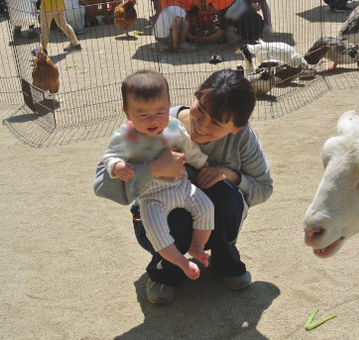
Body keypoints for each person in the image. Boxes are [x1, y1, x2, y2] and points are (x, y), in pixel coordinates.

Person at [93, 69, 273, 305]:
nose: (201, 125)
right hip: (156, 209)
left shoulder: (242, 138)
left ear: (236, 128)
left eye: (216, 123)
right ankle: (165, 269)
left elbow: (263, 187)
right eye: (201, 110)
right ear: (196, 95)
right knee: (175, 219)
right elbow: (102, 182)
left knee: (226, 195)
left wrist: (230, 175)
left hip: (198, 206)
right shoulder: (155, 119)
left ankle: (224, 256)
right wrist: (153, 169)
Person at [101, 70, 215, 286]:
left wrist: (200, 162)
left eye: (160, 112)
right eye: (143, 115)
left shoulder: (172, 126)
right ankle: (181, 263)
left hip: (181, 186)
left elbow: (189, 149)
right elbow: (109, 156)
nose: (153, 120)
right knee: (157, 232)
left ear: (169, 106)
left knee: (207, 207)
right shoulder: (126, 136)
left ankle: (197, 246)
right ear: (127, 113)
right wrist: (117, 166)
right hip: (151, 197)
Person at [191, 0, 263, 44]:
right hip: (259, 24)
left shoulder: (224, 15)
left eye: (210, 8)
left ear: (213, 6)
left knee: (227, 32)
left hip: (250, 33)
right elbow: (257, 7)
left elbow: (217, 35)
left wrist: (200, 40)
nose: (210, 11)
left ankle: (246, 39)